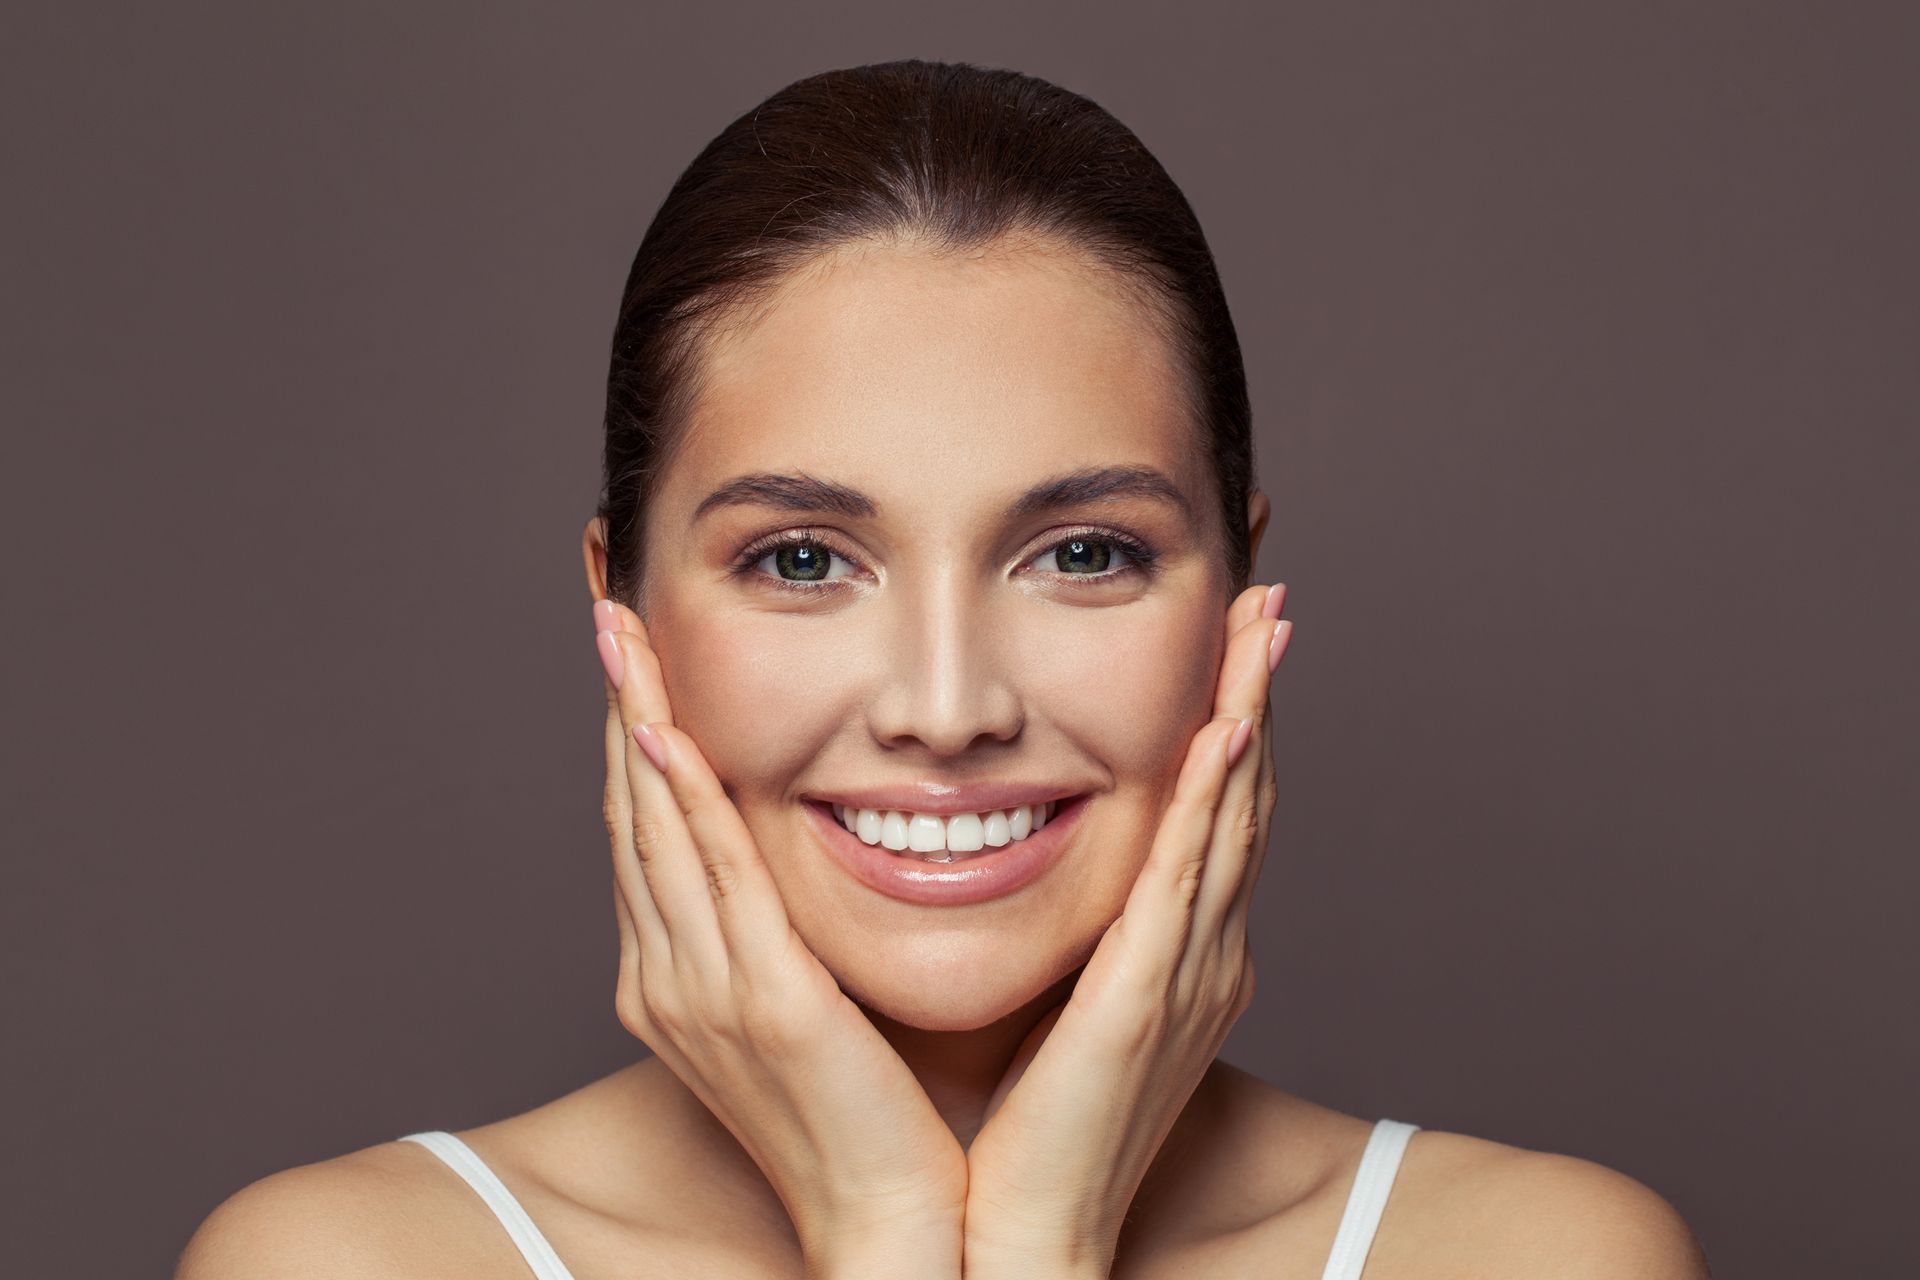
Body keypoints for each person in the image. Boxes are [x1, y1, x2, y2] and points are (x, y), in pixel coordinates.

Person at [176, 59, 1710, 1278]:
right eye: (801, 560)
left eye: (1084, 552)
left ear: (1237, 597)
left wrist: (1035, 1247)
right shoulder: (351, 1261)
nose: (946, 707)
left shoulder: (1537, 1258)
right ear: (620, 612)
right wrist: (883, 1233)